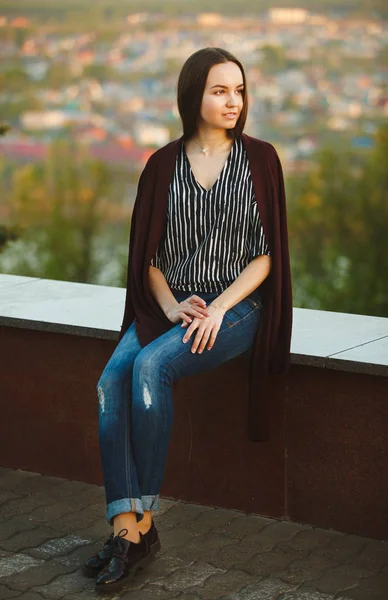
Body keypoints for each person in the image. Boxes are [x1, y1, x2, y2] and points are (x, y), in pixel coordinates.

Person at [82, 47, 292, 593]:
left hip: (239, 307)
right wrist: (174, 305)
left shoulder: (261, 159)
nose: (233, 101)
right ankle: (127, 528)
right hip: (172, 305)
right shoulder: (161, 165)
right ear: (192, 96)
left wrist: (219, 307)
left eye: (239, 90)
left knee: (151, 368)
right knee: (110, 382)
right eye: (219, 90)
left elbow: (266, 255)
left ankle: (141, 524)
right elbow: (148, 259)